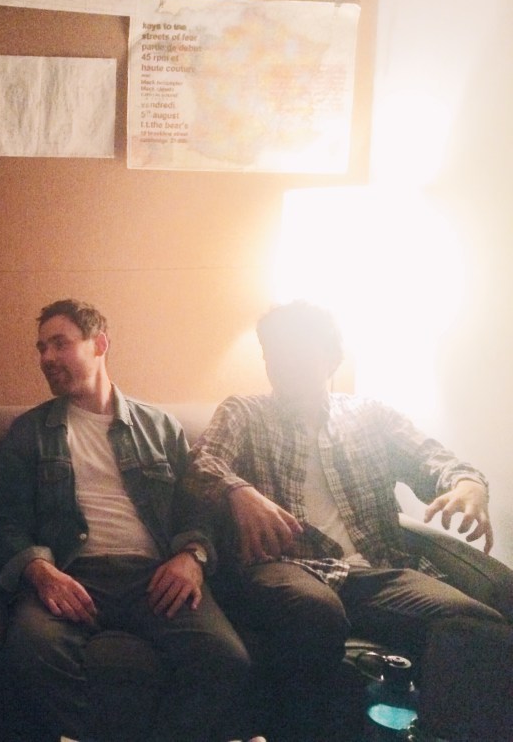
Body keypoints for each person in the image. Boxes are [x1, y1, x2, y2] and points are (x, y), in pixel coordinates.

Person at [185, 300, 508, 742]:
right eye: (273, 352)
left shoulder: (371, 416)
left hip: (377, 571)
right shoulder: (245, 411)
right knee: (314, 611)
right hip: (285, 565)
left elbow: (434, 461)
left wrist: (469, 484)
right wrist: (237, 490)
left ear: (331, 358)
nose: (283, 363)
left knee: (475, 623)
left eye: (297, 351)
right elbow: (199, 463)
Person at [0, 299, 260, 742]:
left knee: (224, 658)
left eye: (60, 344)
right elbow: (5, 523)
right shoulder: (29, 432)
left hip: (154, 576)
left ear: (100, 344)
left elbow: (196, 507)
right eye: (41, 348)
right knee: (31, 650)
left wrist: (192, 556)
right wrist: (40, 572)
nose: (47, 357)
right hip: (71, 574)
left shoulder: (160, 426)